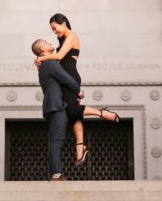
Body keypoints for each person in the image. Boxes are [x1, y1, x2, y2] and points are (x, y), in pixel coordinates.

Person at [34, 13, 120, 167]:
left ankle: (103, 113)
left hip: (71, 78)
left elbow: (59, 55)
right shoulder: (62, 40)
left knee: (71, 110)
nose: (54, 32)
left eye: (55, 28)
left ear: (64, 23)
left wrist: (41, 58)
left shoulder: (72, 36)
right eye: (52, 30)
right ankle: (80, 147)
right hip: (67, 79)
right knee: (73, 114)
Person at [31, 38, 82, 181]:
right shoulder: (50, 63)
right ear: (43, 49)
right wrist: (78, 90)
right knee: (57, 140)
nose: (49, 43)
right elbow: (68, 79)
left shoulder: (44, 64)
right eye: (47, 42)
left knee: (56, 139)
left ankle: (56, 173)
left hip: (54, 105)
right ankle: (56, 175)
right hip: (56, 105)